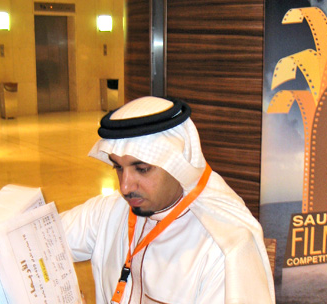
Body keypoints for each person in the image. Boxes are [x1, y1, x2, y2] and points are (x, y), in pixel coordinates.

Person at [61, 96, 275, 304]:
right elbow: (37, 239)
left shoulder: (223, 249)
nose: (125, 187)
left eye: (142, 169)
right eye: (118, 167)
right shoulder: (110, 211)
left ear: (178, 164)